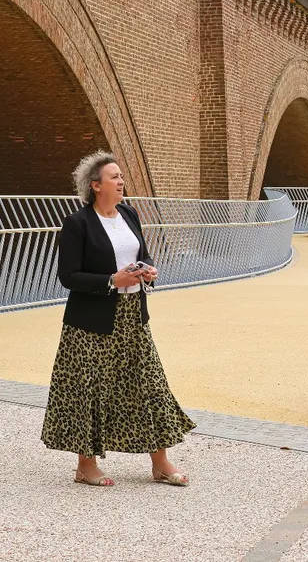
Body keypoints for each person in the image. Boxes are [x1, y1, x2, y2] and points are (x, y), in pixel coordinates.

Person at [41, 151, 196, 488]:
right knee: (90, 390)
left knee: (150, 385)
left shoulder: (128, 213)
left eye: (121, 176)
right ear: (95, 185)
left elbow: (141, 253)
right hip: (91, 322)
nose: (121, 181)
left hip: (133, 315)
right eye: (114, 177)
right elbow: (67, 276)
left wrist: (148, 269)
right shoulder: (78, 223)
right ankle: (86, 466)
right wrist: (112, 281)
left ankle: (161, 463)